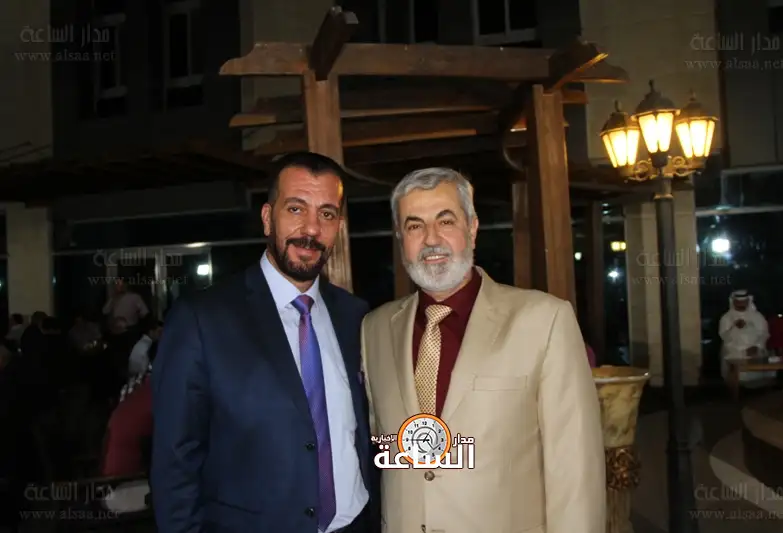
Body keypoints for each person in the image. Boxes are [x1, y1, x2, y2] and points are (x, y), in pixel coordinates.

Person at [361, 168, 605, 533]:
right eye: (414, 226)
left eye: (446, 221)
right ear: (400, 237)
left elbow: (576, 469)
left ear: (472, 228)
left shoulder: (544, 320)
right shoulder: (375, 329)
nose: (431, 239)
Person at [151, 152, 376, 533]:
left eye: (326, 214)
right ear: (268, 217)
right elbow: (175, 462)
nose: (311, 228)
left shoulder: (356, 316)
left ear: (338, 225)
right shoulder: (202, 320)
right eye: (296, 209)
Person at [719, 289, 774, 384]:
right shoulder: (726, 318)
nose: (741, 304)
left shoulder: (758, 317)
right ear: (733, 302)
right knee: (735, 377)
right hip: (734, 353)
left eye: (743, 302)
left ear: (748, 301)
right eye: (738, 302)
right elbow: (723, 336)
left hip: (754, 352)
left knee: (757, 379)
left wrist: (757, 346)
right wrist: (734, 327)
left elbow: (764, 334)